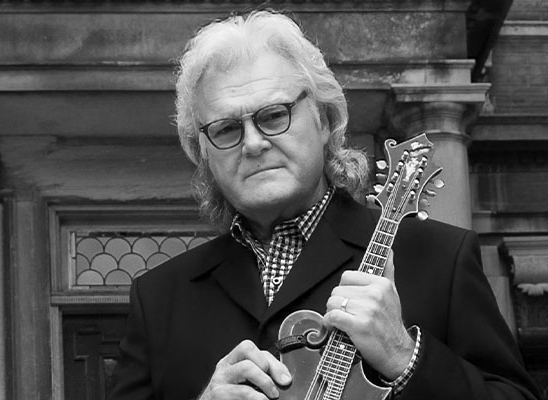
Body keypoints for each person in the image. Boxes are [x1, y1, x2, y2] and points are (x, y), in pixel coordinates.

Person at [108, 10, 541, 400]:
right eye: (226, 129)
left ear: (325, 120)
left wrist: (404, 356)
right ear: (203, 153)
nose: (253, 144)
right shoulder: (159, 299)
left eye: (274, 115)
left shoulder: (439, 258)